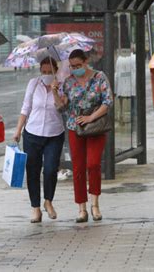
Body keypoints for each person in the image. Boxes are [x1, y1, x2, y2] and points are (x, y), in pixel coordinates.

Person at [52, 49, 113, 223]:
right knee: (78, 168)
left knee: (93, 164)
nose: (75, 69)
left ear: (86, 61)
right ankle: (82, 208)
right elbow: (61, 107)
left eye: (78, 65)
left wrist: (90, 117)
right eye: (72, 66)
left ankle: (95, 204)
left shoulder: (99, 77)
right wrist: (55, 92)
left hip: (95, 126)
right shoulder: (68, 82)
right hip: (75, 127)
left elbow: (107, 102)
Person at [13, 57, 65, 223]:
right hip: (32, 133)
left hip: (54, 134)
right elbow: (26, 107)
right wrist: (18, 130)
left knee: (50, 169)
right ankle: (35, 207)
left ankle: (48, 201)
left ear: (55, 71)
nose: (46, 75)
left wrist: (55, 91)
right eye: (43, 72)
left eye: (50, 72)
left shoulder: (63, 85)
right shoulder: (33, 84)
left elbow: (61, 108)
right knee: (33, 171)